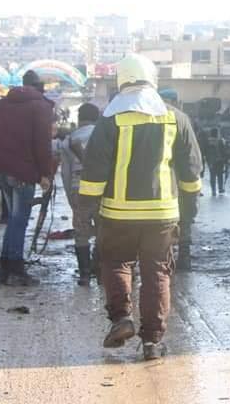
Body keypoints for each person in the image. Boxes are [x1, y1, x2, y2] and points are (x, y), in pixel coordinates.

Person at [80, 54, 202, 360]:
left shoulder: (111, 120)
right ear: (153, 81)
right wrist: (189, 213)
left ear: (122, 80)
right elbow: (191, 172)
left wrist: (85, 210)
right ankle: (152, 342)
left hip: (117, 213)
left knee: (117, 263)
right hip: (162, 215)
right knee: (157, 273)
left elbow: (94, 171)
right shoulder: (176, 118)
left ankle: (121, 318)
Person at [0, 70, 54, 286]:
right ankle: (15, 268)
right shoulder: (41, 106)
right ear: (40, 88)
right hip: (24, 170)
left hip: (1, 168)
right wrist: (45, 174)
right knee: (19, 220)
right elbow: (42, 143)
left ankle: (6, 267)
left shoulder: (2, 104)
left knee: (13, 218)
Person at [56, 103, 101, 286]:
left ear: (79, 118)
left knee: (81, 231)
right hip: (101, 188)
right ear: (97, 118)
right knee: (103, 229)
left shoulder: (69, 140)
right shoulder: (103, 135)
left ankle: (84, 274)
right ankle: (100, 270)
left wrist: (69, 196)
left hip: (78, 188)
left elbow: (65, 172)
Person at [205, 128, 230, 196]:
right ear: (216, 133)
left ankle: (213, 190)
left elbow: (206, 152)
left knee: (212, 176)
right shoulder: (220, 141)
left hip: (211, 162)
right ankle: (220, 188)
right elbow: (224, 151)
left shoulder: (208, 142)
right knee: (220, 175)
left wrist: (207, 161)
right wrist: (226, 160)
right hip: (219, 161)